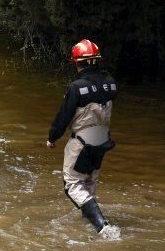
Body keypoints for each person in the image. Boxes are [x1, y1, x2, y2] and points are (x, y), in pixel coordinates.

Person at [46, 38, 118, 236]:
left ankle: (101, 225)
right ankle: (90, 221)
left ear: (76, 62)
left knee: (72, 185)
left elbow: (64, 116)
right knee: (89, 182)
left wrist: (52, 138)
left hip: (82, 142)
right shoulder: (111, 83)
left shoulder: (76, 88)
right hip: (103, 140)